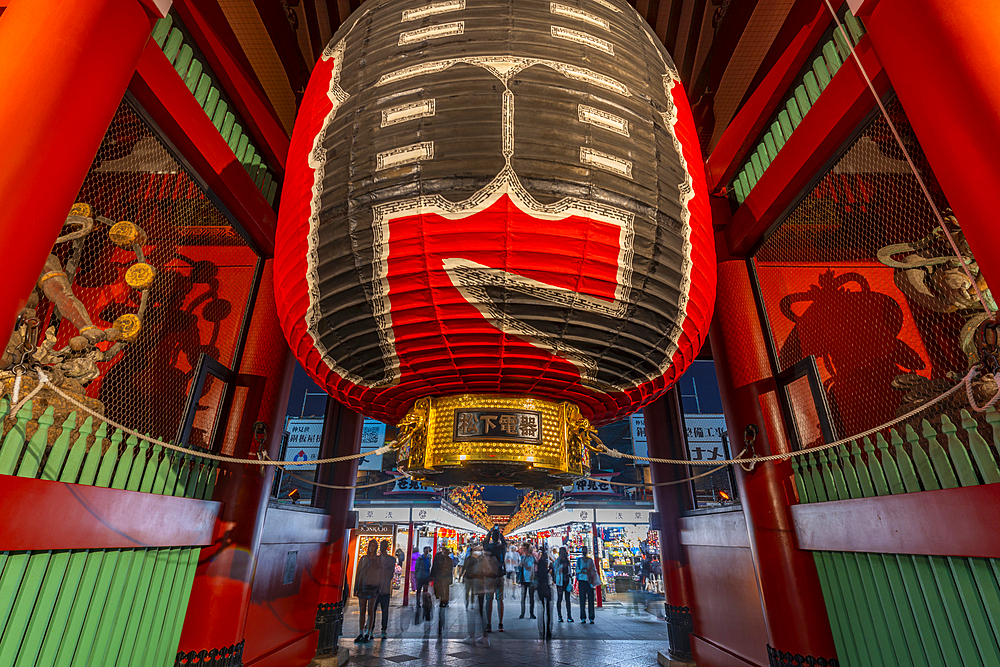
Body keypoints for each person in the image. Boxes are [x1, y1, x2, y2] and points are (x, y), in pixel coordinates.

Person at [353, 540, 381, 642]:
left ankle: (368, 633)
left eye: (373, 546)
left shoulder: (377, 560)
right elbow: (358, 573)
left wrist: (379, 587)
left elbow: (380, 574)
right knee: (362, 611)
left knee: (370, 610)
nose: (371, 547)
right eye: (370, 545)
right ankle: (361, 632)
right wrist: (356, 587)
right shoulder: (363, 559)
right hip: (363, 587)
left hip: (373, 587)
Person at [483, 526, 507, 632]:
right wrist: (499, 532)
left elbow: (485, 541)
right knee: (500, 599)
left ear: (492, 538)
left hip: (489, 576)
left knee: (489, 600)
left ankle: (488, 624)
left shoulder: (488, 547)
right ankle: (500, 624)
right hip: (500, 576)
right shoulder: (502, 548)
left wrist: (491, 530)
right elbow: (504, 542)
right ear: (499, 538)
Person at [431, 547, 455, 636]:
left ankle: (445, 600)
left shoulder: (449, 559)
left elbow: (450, 570)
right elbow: (434, 566)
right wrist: (432, 575)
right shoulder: (438, 557)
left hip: (445, 578)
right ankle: (441, 597)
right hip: (439, 577)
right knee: (438, 588)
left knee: (445, 589)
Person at [374, 539, 395, 639]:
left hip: (385, 589)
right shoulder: (376, 559)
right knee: (373, 609)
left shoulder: (391, 560)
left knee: (384, 610)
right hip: (376, 588)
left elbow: (391, 573)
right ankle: (371, 627)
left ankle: (384, 629)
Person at [576, 545, 598, 624]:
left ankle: (591, 617)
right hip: (582, 581)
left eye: (585, 550)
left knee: (591, 599)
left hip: (589, 581)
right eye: (583, 550)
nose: (584, 552)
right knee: (582, 600)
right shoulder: (579, 560)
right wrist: (582, 570)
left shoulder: (590, 560)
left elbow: (594, 570)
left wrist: (589, 572)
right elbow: (577, 570)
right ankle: (583, 617)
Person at [535, 548, 553, 639]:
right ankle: (548, 630)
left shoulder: (540, 564)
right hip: (545, 587)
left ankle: (544, 630)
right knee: (548, 609)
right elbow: (543, 574)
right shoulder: (543, 564)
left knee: (543, 608)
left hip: (541, 587)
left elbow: (538, 574)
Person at [554, 547, 573, 623]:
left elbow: (570, 570)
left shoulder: (568, 561)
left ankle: (569, 616)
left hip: (567, 581)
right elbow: (555, 569)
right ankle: (559, 615)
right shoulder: (558, 561)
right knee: (560, 598)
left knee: (568, 599)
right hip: (560, 583)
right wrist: (562, 566)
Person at [415, 546, 433, 621]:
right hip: (420, 576)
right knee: (419, 590)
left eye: (428, 550)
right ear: (424, 550)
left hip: (426, 576)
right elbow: (416, 567)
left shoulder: (428, 558)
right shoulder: (420, 558)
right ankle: (418, 602)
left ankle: (424, 603)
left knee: (425, 590)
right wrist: (416, 575)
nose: (427, 551)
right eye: (426, 550)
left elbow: (429, 567)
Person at [518, 542, 536, 619]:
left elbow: (530, 565)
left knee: (532, 598)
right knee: (523, 597)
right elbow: (521, 565)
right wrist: (525, 557)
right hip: (524, 579)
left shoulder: (532, 558)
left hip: (531, 579)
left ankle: (531, 613)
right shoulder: (522, 558)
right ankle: (522, 613)